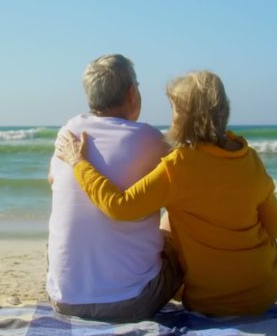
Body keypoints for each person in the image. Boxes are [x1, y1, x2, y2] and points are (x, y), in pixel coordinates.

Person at [56, 70, 277, 317]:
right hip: (265, 291)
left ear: (184, 117)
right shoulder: (249, 158)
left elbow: (119, 207)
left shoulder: (178, 165)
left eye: (174, 109)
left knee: (168, 220)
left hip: (210, 302)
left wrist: (79, 163)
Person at [46, 54, 183, 322]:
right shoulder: (149, 139)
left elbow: (53, 178)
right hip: (131, 301)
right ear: (132, 92)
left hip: (63, 299)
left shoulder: (69, 131)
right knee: (174, 224)